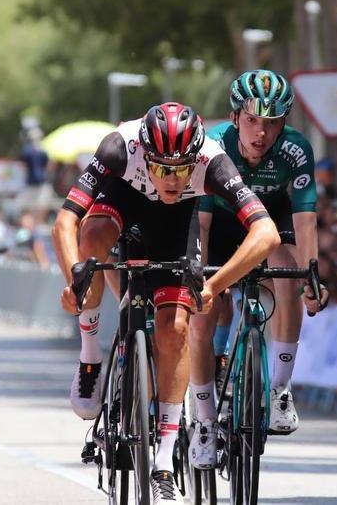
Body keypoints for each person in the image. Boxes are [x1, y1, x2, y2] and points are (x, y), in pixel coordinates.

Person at [52, 102, 280, 503]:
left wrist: (214, 284)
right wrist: (74, 277)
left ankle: (163, 455)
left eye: (180, 169)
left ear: (196, 155)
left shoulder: (212, 159)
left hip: (176, 226)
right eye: (160, 167)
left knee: (176, 329)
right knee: (91, 240)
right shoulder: (117, 147)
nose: (171, 179)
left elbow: (267, 234)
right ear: (144, 151)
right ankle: (90, 359)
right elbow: (64, 221)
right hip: (122, 203)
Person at [186, 70, 327, 469]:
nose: (260, 133)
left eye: (271, 123)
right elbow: (204, 223)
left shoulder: (296, 150)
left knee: (287, 268)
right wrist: (203, 280)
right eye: (251, 120)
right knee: (204, 315)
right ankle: (205, 422)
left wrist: (311, 275)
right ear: (235, 118)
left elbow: (305, 221)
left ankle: (280, 390)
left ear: (284, 123)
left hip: (271, 221)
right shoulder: (212, 146)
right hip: (221, 222)